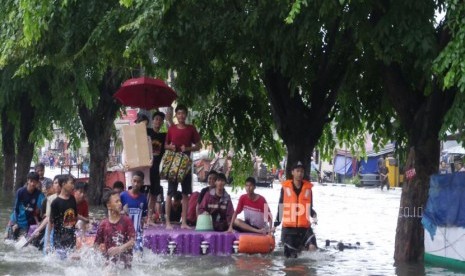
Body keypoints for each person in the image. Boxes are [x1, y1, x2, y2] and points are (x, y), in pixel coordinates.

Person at [164, 104, 201, 229]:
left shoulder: (191, 129)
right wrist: (171, 147)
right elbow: (165, 145)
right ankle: (167, 221)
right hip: (173, 164)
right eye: (179, 113)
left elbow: (198, 145)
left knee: (186, 193)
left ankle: (184, 222)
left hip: (185, 164)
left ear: (186, 115)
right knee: (170, 192)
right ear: (176, 115)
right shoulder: (172, 129)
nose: (181, 116)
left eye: (183, 113)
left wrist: (188, 148)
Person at [275, 161, 317, 258]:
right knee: (292, 258)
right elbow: (280, 207)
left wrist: (314, 216)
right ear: (292, 172)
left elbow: (309, 208)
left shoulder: (308, 189)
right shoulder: (285, 188)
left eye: (302, 171)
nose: (300, 174)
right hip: (289, 230)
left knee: (312, 248)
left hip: (305, 229)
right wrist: (275, 225)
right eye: (297, 171)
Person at [94, 191, 135, 269]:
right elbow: (96, 245)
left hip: (125, 265)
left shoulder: (127, 221)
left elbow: (132, 242)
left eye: (120, 201)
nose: (120, 203)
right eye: (116, 201)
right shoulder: (103, 224)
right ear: (109, 205)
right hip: (109, 263)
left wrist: (119, 249)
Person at [7, 172, 41, 240]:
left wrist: (38, 224)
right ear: (28, 180)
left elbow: (36, 211)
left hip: (27, 223)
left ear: (37, 182)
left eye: (35, 182)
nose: (32, 184)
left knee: (22, 243)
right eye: (31, 181)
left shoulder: (38, 194)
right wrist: (15, 223)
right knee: (8, 240)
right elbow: (16, 209)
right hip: (17, 220)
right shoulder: (20, 192)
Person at [123, 114, 153, 191]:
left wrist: (150, 162)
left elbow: (150, 154)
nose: (144, 127)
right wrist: (125, 164)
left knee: (143, 196)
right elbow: (124, 154)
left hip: (144, 173)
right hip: (132, 173)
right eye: (142, 124)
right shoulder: (129, 137)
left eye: (146, 125)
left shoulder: (148, 138)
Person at [120, 171, 148, 252]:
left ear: (142, 183)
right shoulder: (123, 195)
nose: (136, 184)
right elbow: (116, 212)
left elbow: (143, 218)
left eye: (138, 182)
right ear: (131, 181)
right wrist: (122, 212)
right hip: (123, 231)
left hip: (137, 233)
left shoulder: (143, 198)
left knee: (139, 252)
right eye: (134, 181)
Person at [49, 175, 78, 252]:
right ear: (63, 184)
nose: (73, 186)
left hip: (71, 235)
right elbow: (51, 222)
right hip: (59, 237)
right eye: (71, 183)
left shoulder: (72, 198)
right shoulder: (56, 203)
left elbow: (75, 216)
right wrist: (48, 242)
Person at [148, 111, 166, 224]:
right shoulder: (147, 131)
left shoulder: (163, 136)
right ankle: (143, 217)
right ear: (152, 121)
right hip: (146, 166)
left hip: (157, 168)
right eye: (156, 119)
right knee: (144, 192)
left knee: (154, 193)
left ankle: (149, 217)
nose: (158, 121)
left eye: (160, 120)